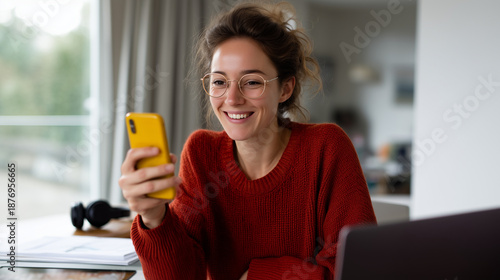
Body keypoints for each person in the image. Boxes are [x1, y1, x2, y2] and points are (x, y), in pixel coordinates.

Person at [118, 2, 376, 279]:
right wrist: (155, 217)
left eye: (252, 82)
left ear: (285, 89)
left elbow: (359, 269)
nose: (232, 99)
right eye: (219, 82)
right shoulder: (201, 153)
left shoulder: (326, 148)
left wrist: (254, 275)